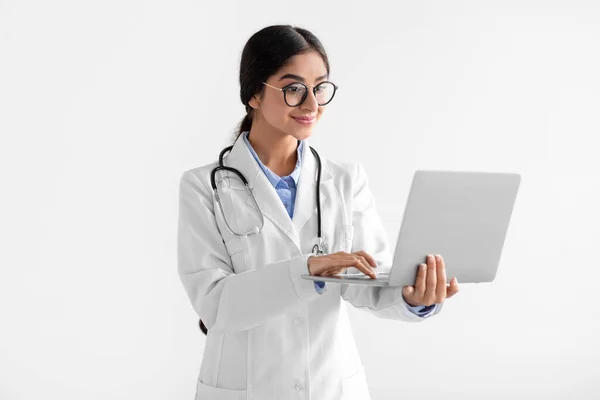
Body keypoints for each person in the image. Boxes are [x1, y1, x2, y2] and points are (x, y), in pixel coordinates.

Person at [177, 24, 460, 400]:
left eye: (319, 88)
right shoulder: (203, 187)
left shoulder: (346, 180)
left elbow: (371, 285)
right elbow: (216, 306)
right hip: (246, 388)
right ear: (254, 95)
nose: (312, 105)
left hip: (332, 385)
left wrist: (415, 298)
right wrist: (305, 269)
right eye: (293, 89)